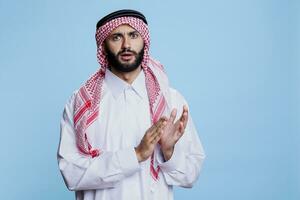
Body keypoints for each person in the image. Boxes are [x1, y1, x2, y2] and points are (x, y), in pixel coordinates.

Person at [57, 9, 206, 200]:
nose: (126, 45)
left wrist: (169, 153)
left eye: (133, 35)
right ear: (103, 46)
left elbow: (190, 175)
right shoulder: (81, 103)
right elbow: (72, 174)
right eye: (116, 37)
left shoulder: (170, 101)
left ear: (144, 40)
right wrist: (135, 155)